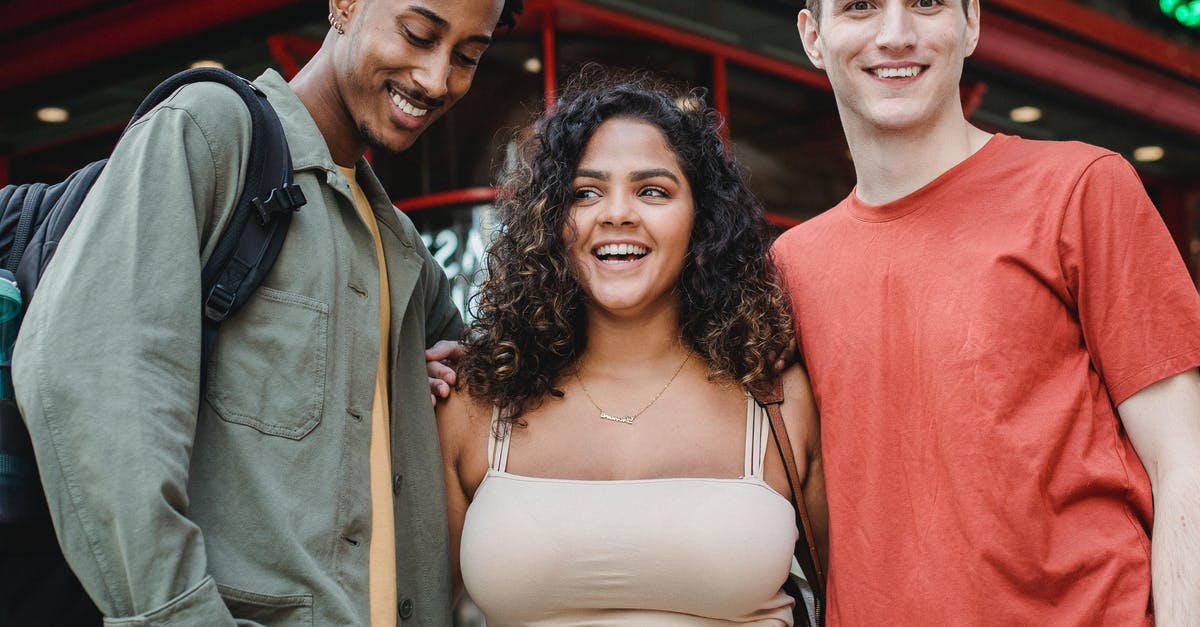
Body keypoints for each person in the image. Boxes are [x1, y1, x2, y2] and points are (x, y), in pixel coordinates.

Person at [12, 0, 522, 625]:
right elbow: (90, 382)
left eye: (468, 57)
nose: (437, 79)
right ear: (344, 4)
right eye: (418, 34)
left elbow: (504, 393)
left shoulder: (401, 249)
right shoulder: (209, 132)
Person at [772, 0, 1200, 624]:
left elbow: (1183, 459)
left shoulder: (1082, 187)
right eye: (859, 7)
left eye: (926, 4)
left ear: (971, 22)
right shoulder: (790, 266)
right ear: (813, 36)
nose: (896, 35)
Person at [435, 70, 827, 625]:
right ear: (551, 220)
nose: (617, 214)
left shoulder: (778, 400)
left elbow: (860, 597)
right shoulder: (476, 402)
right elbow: (407, 606)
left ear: (701, 219)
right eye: (586, 192)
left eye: (652, 191)